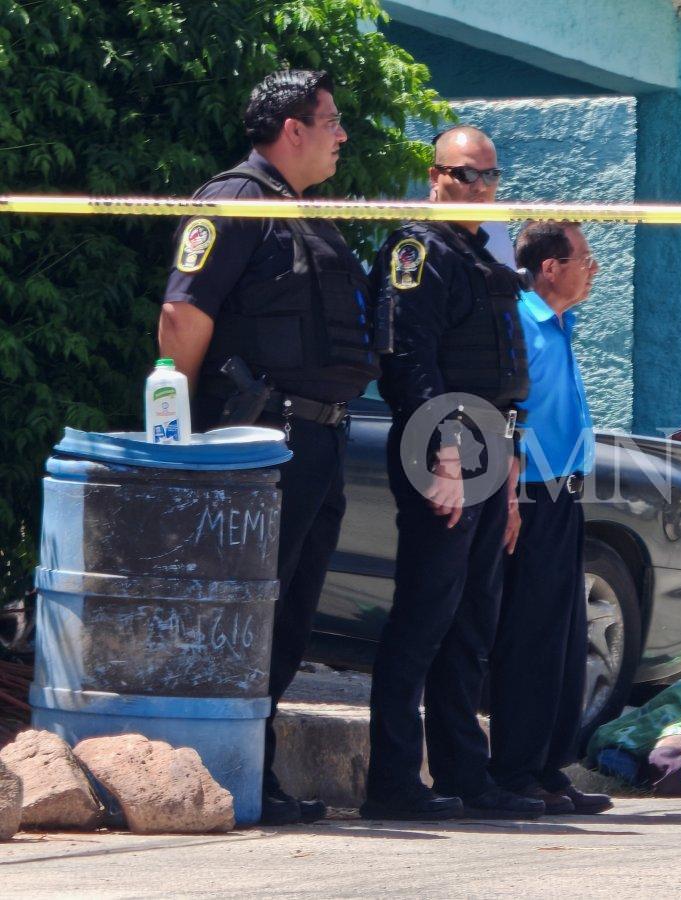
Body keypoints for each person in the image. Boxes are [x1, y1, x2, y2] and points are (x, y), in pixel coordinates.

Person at [157, 69, 380, 826]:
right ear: (293, 129)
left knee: (288, 614)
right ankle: (219, 770)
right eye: (331, 120)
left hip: (315, 439)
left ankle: (253, 770)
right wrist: (181, 435)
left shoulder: (300, 212)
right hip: (258, 443)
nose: (341, 135)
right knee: (248, 612)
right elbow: (182, 316)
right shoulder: (235, 201)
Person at [362, 125, 543, 821]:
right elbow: (408, 360)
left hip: (487, 446)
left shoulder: (476, 255)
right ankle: (393, 783)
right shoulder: (417, 252)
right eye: (467, 174)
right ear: (435, 176)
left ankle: (467, 776)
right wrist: (441, 452)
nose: (481, 187)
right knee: (424, 618)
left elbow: (500, 376)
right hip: (443, 448)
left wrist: (509, 465)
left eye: (491, 176)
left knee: (471, 621)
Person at [488, 221, 612, 815]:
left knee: (563, 637)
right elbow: (507, 413)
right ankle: (514, 770)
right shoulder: (519, 321)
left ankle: (546, 767)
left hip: (564, 494)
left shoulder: (560, 322)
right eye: (584, 258)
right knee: (530, 636)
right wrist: (509, 496)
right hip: (530, 494)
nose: (593, 269)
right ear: (550, 268)